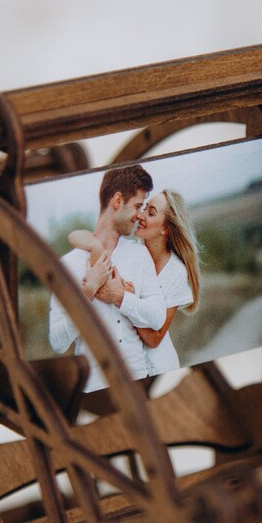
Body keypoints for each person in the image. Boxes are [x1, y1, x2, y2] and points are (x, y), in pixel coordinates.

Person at [48, 165, 165, 392]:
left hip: (140, 381)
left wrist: (121, 297)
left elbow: (158, 317)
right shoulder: (68, 265)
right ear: (118, 200)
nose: (140, 215)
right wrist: (87, 292)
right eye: (138, 206)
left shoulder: (139, 254)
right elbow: (58, 344)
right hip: (93, 390)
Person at [70, 188, 200, 376]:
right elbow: (75, 236)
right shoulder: (132, 254)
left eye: (151, 212)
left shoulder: (176, 272)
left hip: (158, 369)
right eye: (144, 208)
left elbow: (154, 339)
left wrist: (124, 298)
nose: (141, 215)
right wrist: (95, 246)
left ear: (165, 228)